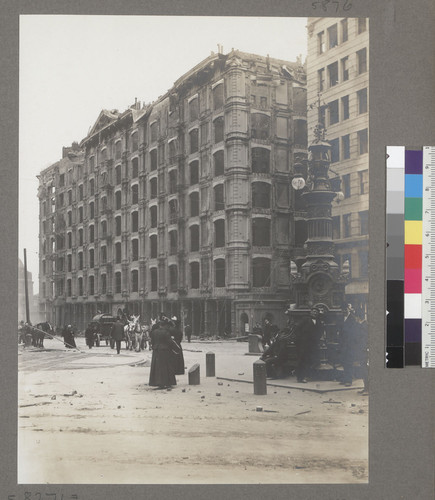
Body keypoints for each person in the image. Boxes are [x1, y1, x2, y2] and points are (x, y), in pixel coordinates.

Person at [294, 307, 324, 383]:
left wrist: (317, 339)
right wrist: (300, 340)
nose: (315, 313)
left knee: (310, 360)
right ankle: (300, 377)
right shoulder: (305, 319)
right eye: (313, 311)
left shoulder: (319, 322)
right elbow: (297, 329)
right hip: (303, 344)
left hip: (313, 345)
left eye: (316, 312)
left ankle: (307, 375)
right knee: (302, 360)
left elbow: (320, 331)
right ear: (310, 312)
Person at [149, 314, 177, 389]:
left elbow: (152, 341)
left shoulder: (154, 332)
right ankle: (167, 382)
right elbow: (170, 342)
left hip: (156, 351)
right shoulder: (166, 332)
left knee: (157, 367)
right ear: (164, 325)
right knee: (166, 367)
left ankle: (157, 382)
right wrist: (176, 349)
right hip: (165, 351)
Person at [340, 304, 360, 387]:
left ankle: (349, 380)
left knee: (349, 362)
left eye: (345, 310)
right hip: (343, 344)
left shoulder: (352, 318)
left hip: (350, 344)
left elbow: (354, 333)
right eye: (342, 310)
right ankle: (345, 379)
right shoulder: (341, 318)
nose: (344, 311)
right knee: (344, 362)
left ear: (349, 309)